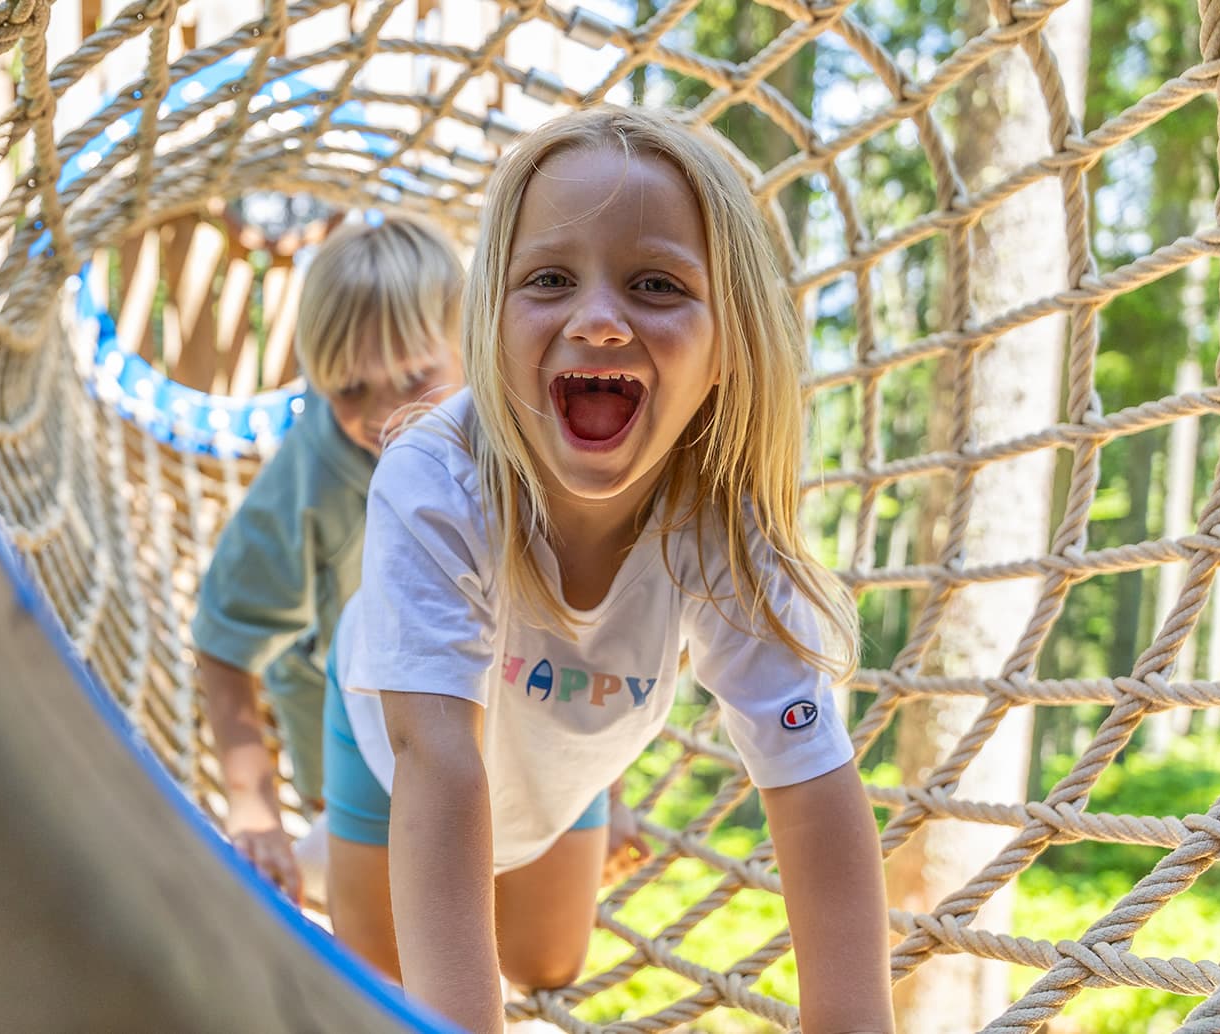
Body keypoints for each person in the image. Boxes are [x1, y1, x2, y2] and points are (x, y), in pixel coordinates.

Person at [323, 107, 894, 1034]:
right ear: (489, 325)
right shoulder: (437, 478)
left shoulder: (720, 519)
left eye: (656, 285)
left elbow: (810, 779)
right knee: (378, 983)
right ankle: (318, 851)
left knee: (547, 960)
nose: (597, 319)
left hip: (562, 749)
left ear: (726, 348)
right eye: (549, 278)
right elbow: (439, 763)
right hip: (393, 746)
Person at [191, 214, 466, 904]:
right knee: (382, 931)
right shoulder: (310, 482)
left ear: (471, 345)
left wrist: (604, 794)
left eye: (413, 376)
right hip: (341, 738)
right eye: (348, 390)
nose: (385, 414)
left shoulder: (507, 434)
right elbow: (225, 645)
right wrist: (254, 808)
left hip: (470, 722)